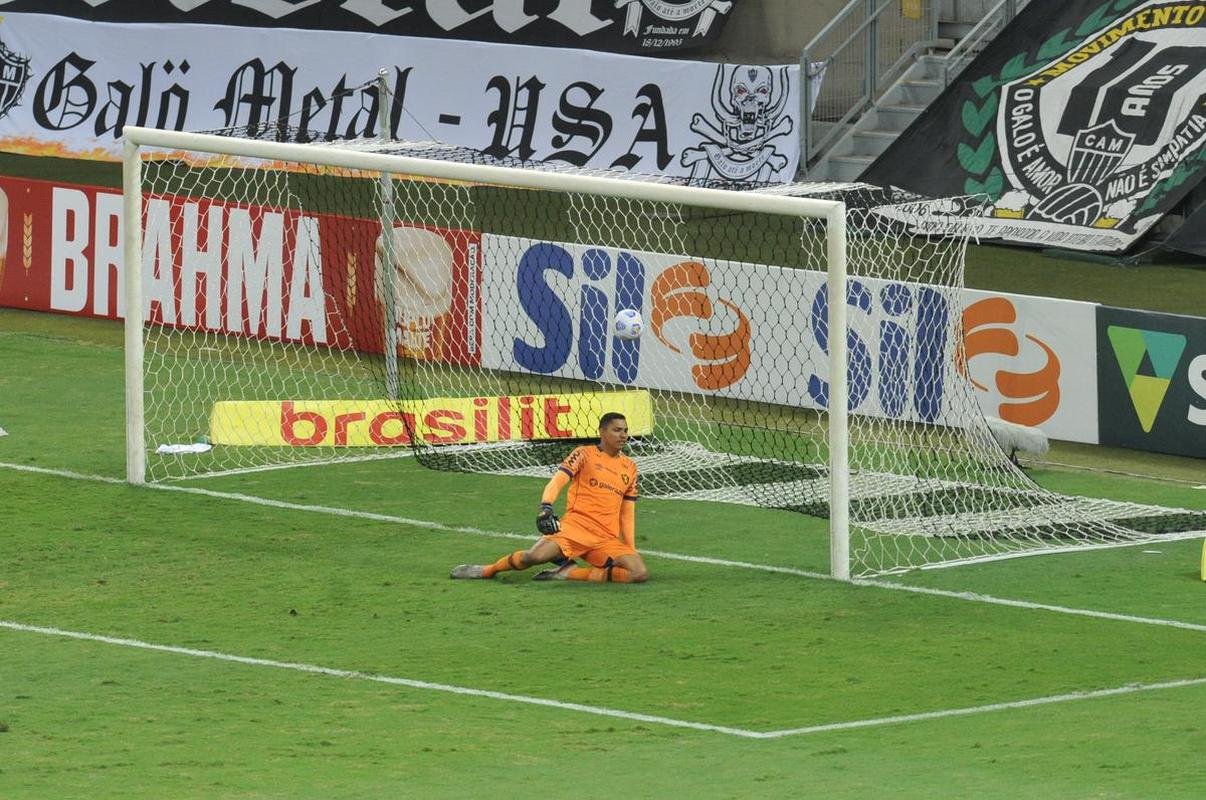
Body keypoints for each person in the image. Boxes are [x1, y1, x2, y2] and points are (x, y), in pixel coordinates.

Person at [450, 412, 648, 583]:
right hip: (574, 530)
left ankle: (568, 573)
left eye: (625, 430)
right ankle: (487, 570)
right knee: (533, 557)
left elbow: (627, 512)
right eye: (617, 430)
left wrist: (630, 547)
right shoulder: (583, 454)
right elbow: (558, 481)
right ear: (602, 432)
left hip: (605, 538)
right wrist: (546, 506)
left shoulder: (630, 467)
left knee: (638, 573)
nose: (623, 435)